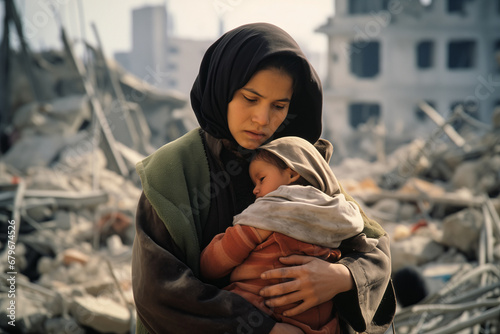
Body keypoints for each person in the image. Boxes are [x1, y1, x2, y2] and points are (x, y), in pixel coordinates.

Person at [132, 22, 395, 334]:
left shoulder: (295, 163)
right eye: (250, 98)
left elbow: (373, 248)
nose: (262, 119)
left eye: (279, 106)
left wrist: (340, 277)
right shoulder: (174, 171)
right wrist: (261, 328)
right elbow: (159, 289)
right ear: (223, 90)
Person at [200, 136, 378, 334]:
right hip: (318, 322)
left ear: (292, 174)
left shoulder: (265, 216)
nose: (255, 190)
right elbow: (373, 249)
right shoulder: (336, 214)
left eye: (261, 179)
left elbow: (213, 265)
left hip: (259, 310)